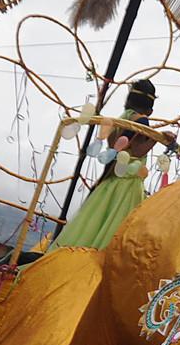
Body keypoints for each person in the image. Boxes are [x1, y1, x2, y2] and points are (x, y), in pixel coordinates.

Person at [54, 79, 162, 250]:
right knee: (115, 235)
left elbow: (115, 148)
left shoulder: (120, 119)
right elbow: (136, 151)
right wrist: (159, 140)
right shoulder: (142, 122)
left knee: (91, 227)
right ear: (150, 109)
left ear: (128, 101)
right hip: (126, 186)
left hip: (109, 181)